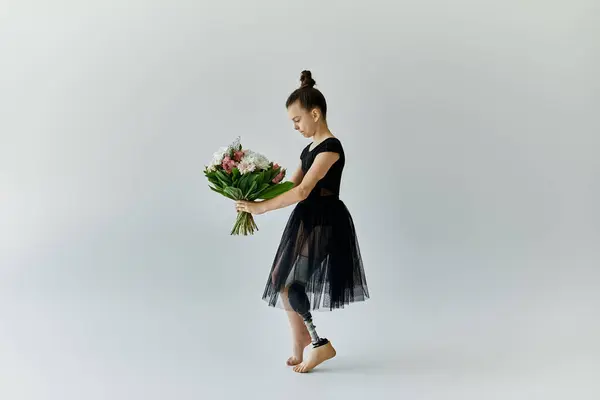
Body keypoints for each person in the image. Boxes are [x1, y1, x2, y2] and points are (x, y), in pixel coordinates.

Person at [235, 70, 369, 373]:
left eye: (297, 120)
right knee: (280, 282)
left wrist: (263, 209)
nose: (295, 126)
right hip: (307, 218)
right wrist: (251, 194)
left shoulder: (331, 148)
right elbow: (289, 185)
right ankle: (301, 345)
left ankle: (320, 345)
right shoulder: (308, 149)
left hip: (325, 220)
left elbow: (304, 190)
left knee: (293, 284)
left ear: (315, 113)